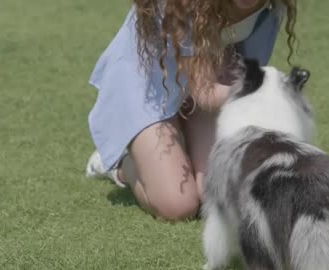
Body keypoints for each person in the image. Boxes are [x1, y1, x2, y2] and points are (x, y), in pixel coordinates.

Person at [86, 0, 298, 221]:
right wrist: (265, 93)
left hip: (212, 75)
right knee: (177, 206)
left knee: (214, 198)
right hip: (150, 82)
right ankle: (121, 163)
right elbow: (204, 93)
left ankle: (177, 147)